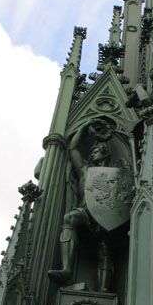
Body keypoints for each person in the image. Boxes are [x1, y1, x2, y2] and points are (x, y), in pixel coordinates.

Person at [48, 121, 113, 289]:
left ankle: (104, 289)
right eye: (92, 151)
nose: (92, 154)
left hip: (106, 217)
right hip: (86, 212)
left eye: (96, 151)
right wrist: (86, 125)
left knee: (106, 248)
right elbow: (73, 148)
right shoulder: (85, 170)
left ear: (105, 153)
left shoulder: (115, 175)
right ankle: (67, 270)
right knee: (69, 218)